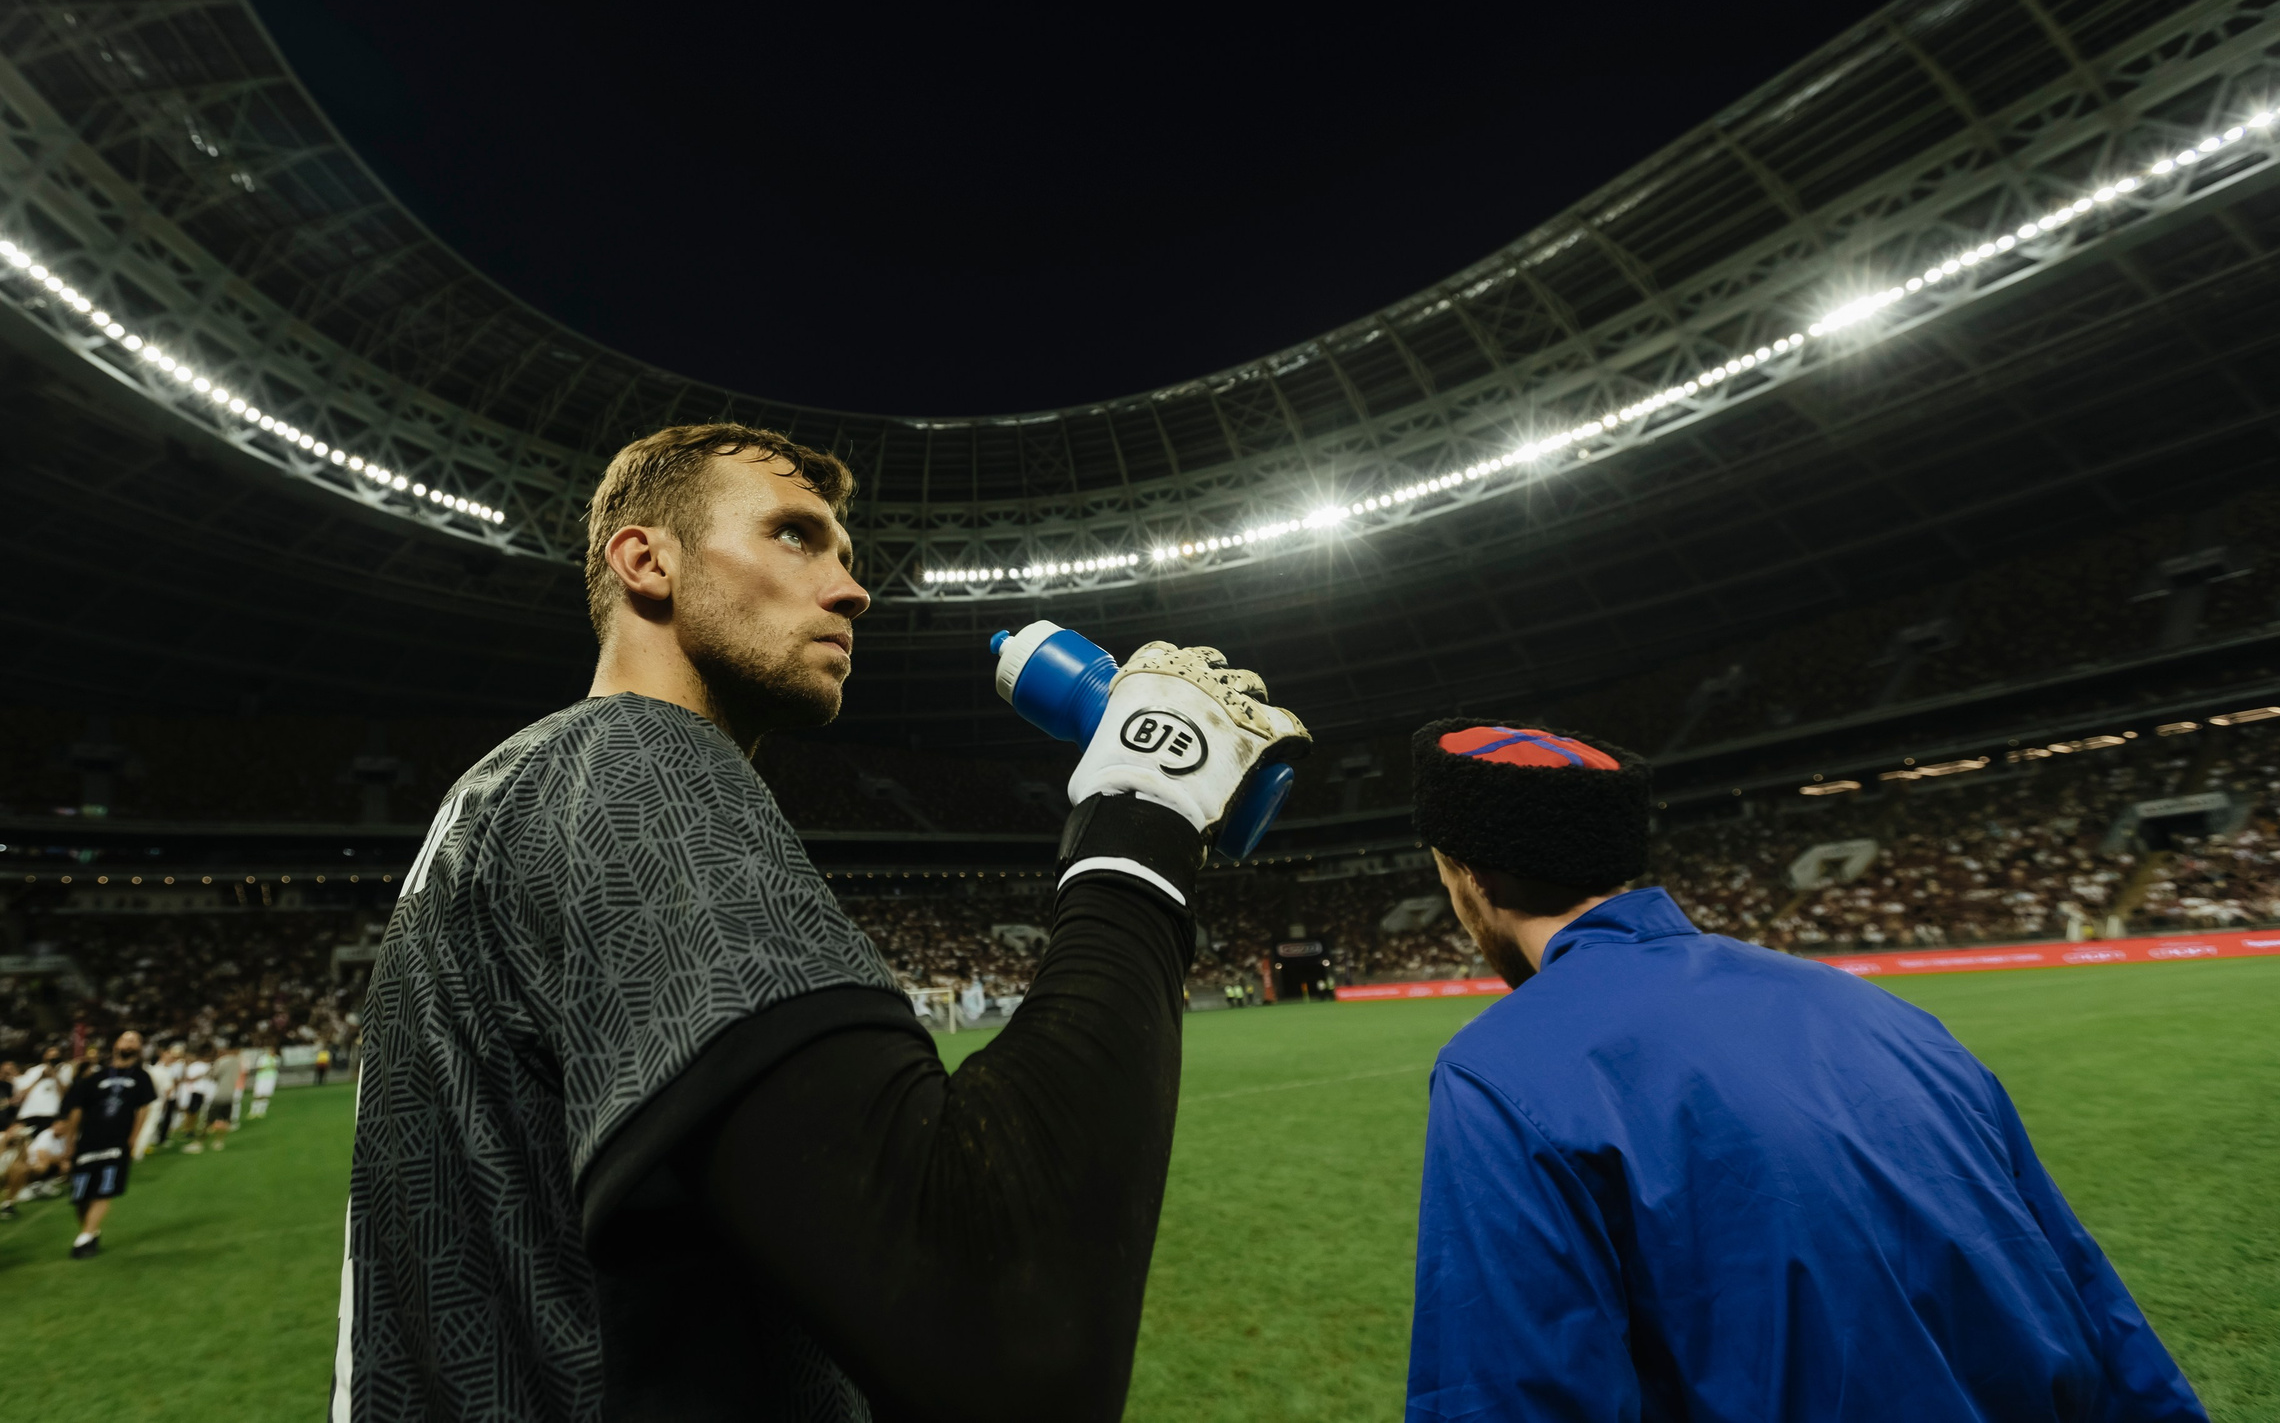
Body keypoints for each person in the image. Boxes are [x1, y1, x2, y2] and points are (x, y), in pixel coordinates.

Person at [340, 423, 1308, 1422]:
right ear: (645, 562)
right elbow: (1005, 1327)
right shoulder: (630, 765)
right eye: (795, 537)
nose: (851, 591)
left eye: (846, 557)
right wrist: (1145, 809)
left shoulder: (510, 791)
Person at [1400, 718, 2209, 1423]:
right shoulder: (1888, 1014)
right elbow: (2089, 1294)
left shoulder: (1497, 1068)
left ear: (1477, 877)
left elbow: (1510, 1390)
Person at [61, 1029, 159, 1259]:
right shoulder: (94, 1078)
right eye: (125, 1038)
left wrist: (133, 1138)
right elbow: (76, 1110)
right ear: (116, 1044)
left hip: (117, 1140)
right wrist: (69, 1141)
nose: (129, 1042)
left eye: (135, 1040)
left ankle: (84, 1237)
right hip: (88, 1140)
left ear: (140, 1048)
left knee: (104, 1190)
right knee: (80, 1195)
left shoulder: (141, 1077)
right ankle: (91, 1230)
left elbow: (143, 1109)